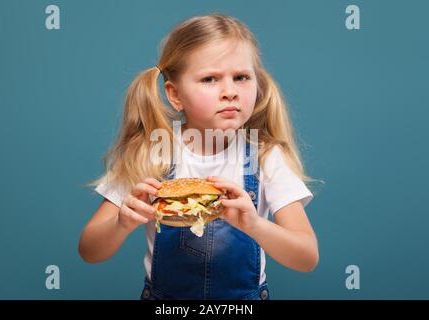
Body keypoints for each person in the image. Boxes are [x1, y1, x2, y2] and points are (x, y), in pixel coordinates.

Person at [79, 13, 319, 300]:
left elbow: (306, 257)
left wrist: (253, 224)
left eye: (241, 77)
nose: (229, 92)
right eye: (210, 79)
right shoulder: (151, 154)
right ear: (175, 94)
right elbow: (90, 251)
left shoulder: (266, 156)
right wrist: (121, 223)